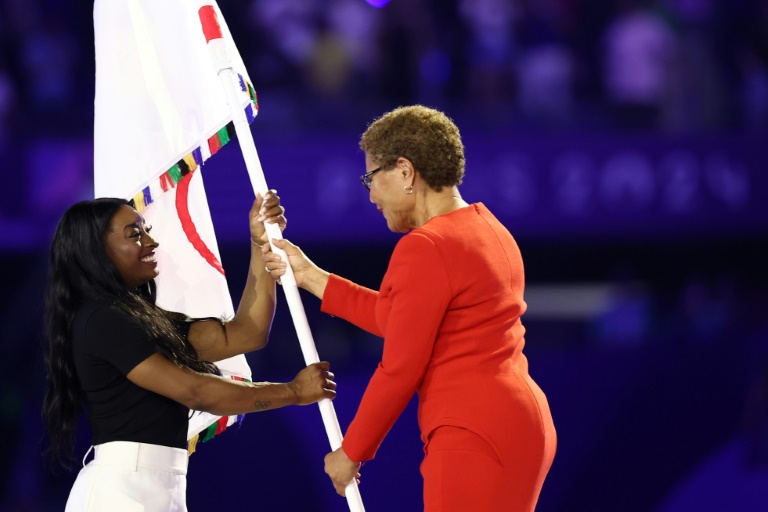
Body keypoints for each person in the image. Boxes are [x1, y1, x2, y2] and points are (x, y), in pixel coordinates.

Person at [263, 105, 557, 511]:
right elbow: (397, 319)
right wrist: (309, 275)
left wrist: (352, 452)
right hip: (520, 425)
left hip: (472, 433)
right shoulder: (489, 229)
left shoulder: (426, 246)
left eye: (371, 178)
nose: (370, 195)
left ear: (405, 171)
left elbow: (400, 367)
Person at [43, 190, 336, 512]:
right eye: (134, 235)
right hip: (120, 492)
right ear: (96, 251)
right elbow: (195, 391)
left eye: (146, 232)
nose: (150, 243)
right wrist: (292, 392)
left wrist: (259, 243)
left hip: (157, 485)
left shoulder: (138, 320)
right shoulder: (101, 320)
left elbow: (246, 334)